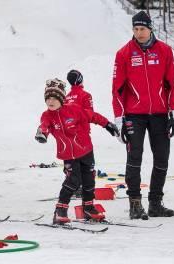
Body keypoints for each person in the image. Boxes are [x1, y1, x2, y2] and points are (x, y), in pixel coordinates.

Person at [112, 11, 174, 220]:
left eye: (142, 28)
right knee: (135, 157)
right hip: (134, 115)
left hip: (160, 114)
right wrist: (119, 118)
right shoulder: (123, 54)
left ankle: (155, 203)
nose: (139, 33)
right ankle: (134, 204)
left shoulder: (165, 51)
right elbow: (117, 89)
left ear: (150, 28)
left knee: (162, 158)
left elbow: (173, 84)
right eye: (135, 29)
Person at [35, 78, 119, 224]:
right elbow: (44, 125)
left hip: (86, 150)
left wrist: (107, 125)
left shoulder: (74, 110)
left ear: (62, 98)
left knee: (88, 180)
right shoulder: (47, 115)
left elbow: (92, 116)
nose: (51, 101)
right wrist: (42, 133)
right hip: (68, 155)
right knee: (73, 181)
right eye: (48, 98)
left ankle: (88, 208)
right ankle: (60, 210)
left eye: (54, 97)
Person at [64, 69, 93, 198]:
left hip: (68, 136)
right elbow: (90, 115)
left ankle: (72, 186)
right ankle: (82, 188)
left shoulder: (65, 97)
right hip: (82, 135)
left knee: (72, 163)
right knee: (86, 164)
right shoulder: (86, 95)